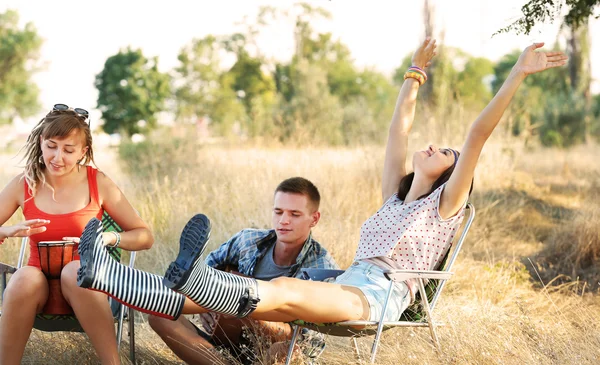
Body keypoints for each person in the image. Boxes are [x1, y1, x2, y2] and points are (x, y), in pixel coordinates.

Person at [75, 39, 568, 338]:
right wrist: (415, 71)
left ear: (452, 174)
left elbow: (476, 134)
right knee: (232, 299)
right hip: (346, 281)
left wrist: (518, 73)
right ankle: (106, 277)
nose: (436, 146)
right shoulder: (393, 200)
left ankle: (192, 279)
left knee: (282, 288)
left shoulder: (444, 207)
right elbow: (398, 128)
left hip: (376, 296)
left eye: (445, 153)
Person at [0, 104, 153, 365]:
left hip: (89, 287)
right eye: (51, 146)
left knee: (75, 270)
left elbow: (144, 236)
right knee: (24, 276)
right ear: (40, 142)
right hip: (38, 291)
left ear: (83, 152)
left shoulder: (98, 182)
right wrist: (6, 230)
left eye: (68, 150)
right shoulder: (23, 183)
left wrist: (106, 238)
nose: (58, 157)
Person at [147, 177, 339, 365]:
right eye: (278, 212)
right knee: (159, 316)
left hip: (277, 350)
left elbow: (308, 341)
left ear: (314, 219)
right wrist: (204, 299)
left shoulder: (321, 266)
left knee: (245, 298)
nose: (284, 221)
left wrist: (243, 307)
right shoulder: (248, 240)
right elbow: (208, 265)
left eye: (294, 214)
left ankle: (239, 304)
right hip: (225, 340)